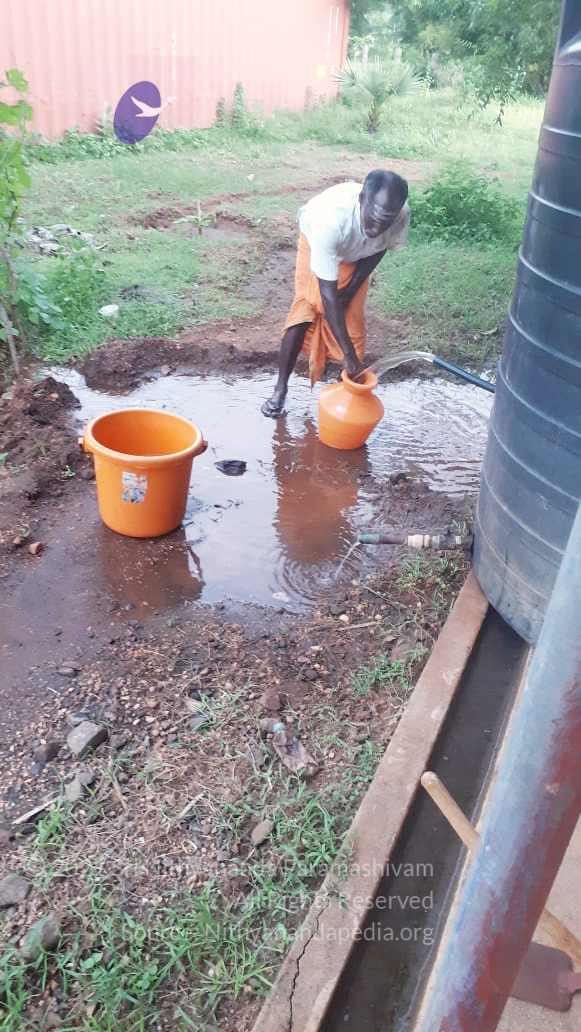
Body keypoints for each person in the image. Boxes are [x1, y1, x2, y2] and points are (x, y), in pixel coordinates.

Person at [261, 169, 410, 418]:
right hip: (319, 245)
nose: (378, 227)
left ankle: (346, 401)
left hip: (358, 256)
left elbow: (379, 248)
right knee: (306, 310)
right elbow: (327, 295)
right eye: (373, 219)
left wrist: (351, 290)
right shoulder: (328, 221)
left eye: (386, 221)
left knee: (353, 327)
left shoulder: (399, 215)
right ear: (361, 200)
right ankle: (280, 388)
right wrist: (348, 356)